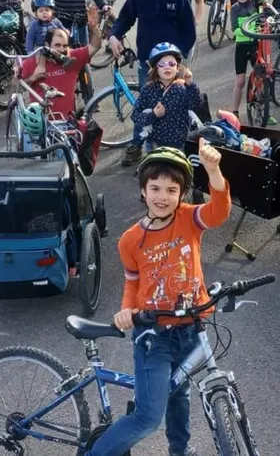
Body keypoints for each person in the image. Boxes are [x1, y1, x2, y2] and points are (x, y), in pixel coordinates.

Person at [83, 140, 229, 456]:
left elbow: (219, 211)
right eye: (155, 188)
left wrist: (214, 170)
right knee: (149, 417)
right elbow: (132, 284)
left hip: (190, 327)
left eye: (171, 190)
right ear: (143, 191)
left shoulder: (189, 219)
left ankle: (180, 451)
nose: (162, 197)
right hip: (153, 334)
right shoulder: (130, 240)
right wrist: (126, 311)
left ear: (181, 195)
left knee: (179, 394)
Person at [109, 0, 197, 166]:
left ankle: (177, 153)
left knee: (176, 109)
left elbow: (189, 30)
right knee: (147, 108)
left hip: (172, 66)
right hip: (147, 65)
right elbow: (124, 19)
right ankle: (142, 149)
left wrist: (180, 59)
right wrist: (114, 35)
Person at [20, 6, 103, 118]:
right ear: (47, 46)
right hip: (42, 125)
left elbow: (95, 46)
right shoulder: (32, 62)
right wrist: (32, 78)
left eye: (65, 45)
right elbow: (15, 87)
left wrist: (94, 28)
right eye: (57, 45)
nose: (61, 49)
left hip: (68, 123)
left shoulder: (72, 57)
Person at [132, 44, 203, 150]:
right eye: (162, 64)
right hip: (155, 144)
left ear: (177, 68)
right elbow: (135, 115)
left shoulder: (182, 88)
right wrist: (153, 114)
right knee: (155, 166)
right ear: (156, 68)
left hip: (179, 145)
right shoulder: (149, 89)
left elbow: (197, 105)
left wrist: (191, 84)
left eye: (171, 63)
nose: (167, 66)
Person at [228, 0, 261, 120]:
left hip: (255, 45)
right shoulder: (234, 9)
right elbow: (235, 29)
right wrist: (249, 31)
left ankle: (261, 107)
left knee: (260, 78)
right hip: (241, 47)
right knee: (240, 81)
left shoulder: (255, 3)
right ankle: (234, 112)